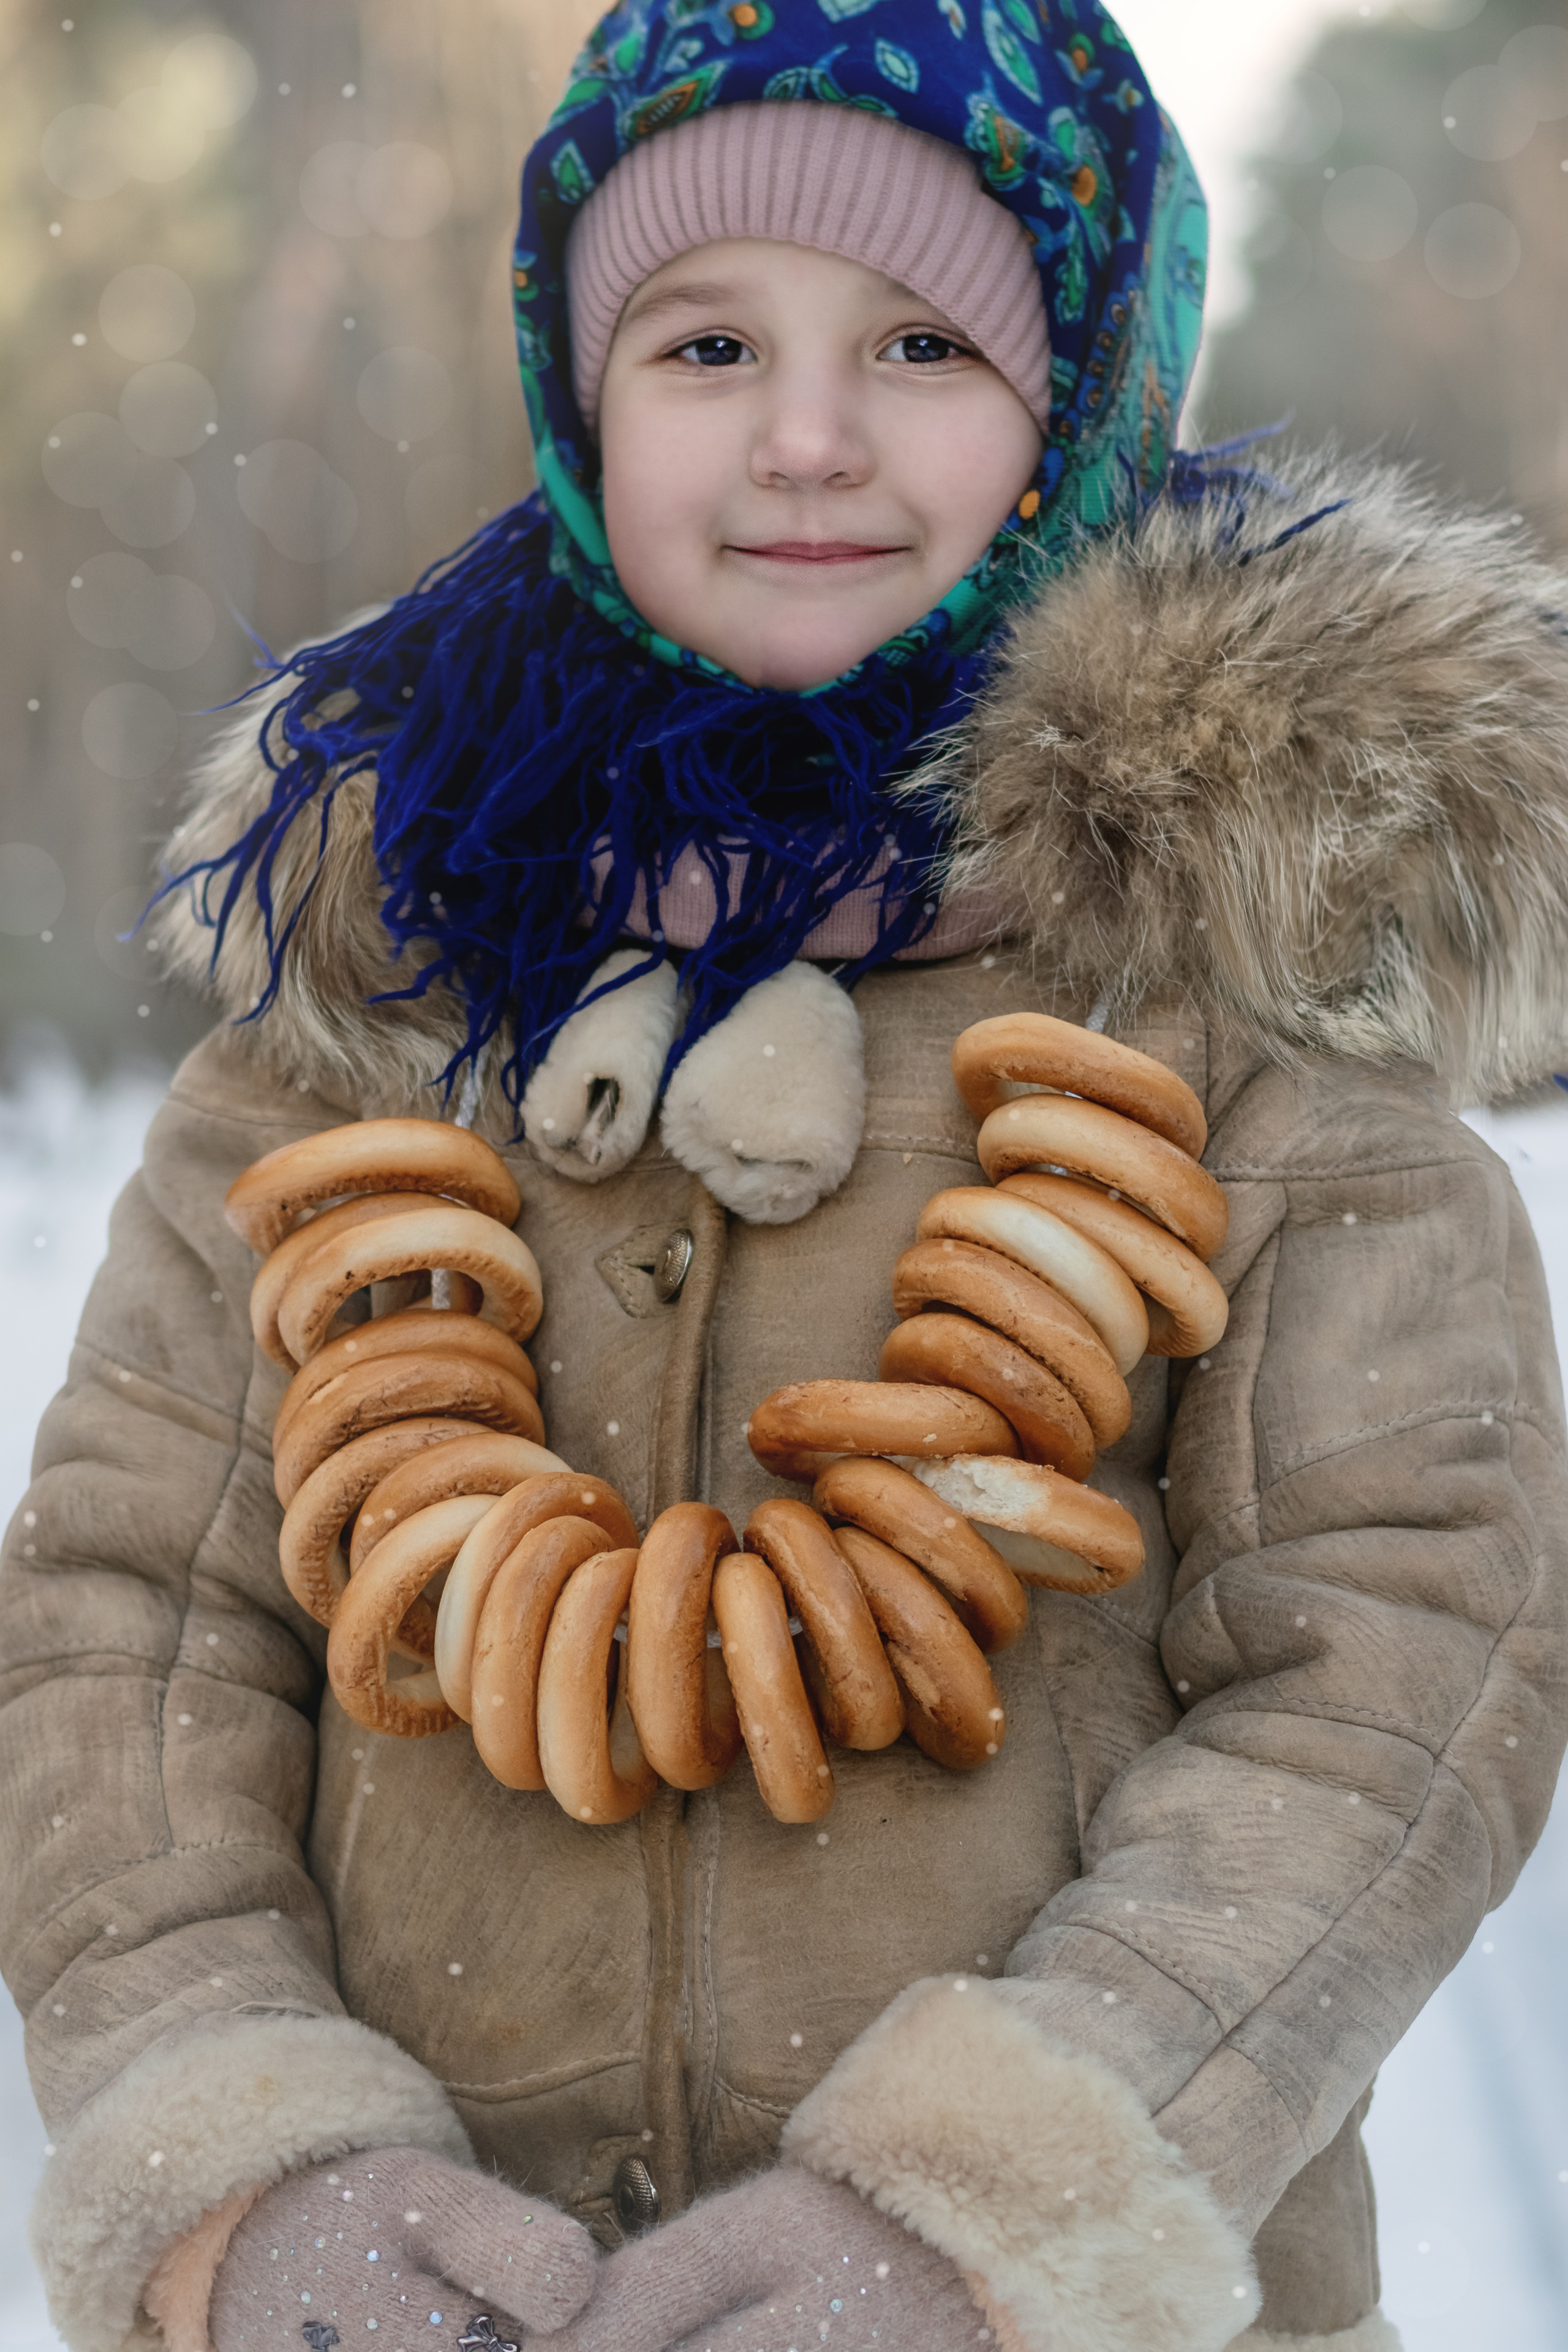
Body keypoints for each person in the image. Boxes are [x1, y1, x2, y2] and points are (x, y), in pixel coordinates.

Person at [6, 5, 1568, 2351]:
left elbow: (1405, 1662)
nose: (808, 437)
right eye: (708, 338)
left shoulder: (1251, 1010)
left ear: (1085, 401)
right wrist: (246, 2146)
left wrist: (1005, 2193)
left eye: (926, 342)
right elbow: (133, 1620)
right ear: (582, 400)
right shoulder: (365, 1005)